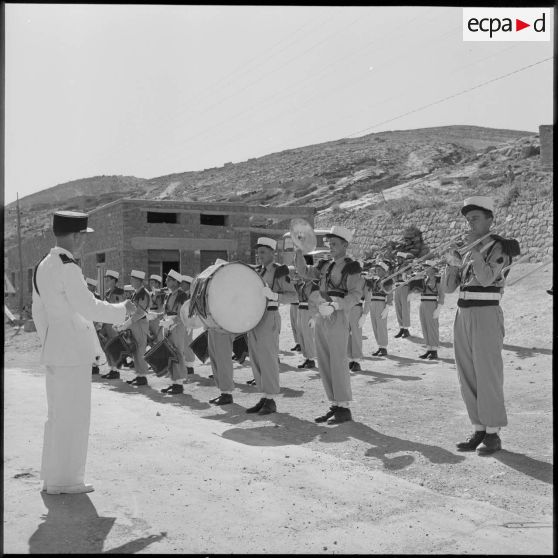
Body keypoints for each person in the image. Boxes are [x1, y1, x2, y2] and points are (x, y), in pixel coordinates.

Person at [31, 210, 136, 495]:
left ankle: (53, 478)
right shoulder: (68, 267)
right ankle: (66, 481)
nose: (83, 243)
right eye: (83, 237)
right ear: (76, 236)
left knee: (57, 416)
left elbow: (37, 311)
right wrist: (123, 309)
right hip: (72, 352)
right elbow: (87, 307)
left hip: (55, 351)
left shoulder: (43, 265)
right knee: (74, 417)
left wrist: (50, 340)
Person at [441, 196, 519, 455]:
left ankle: (493, 433)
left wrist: (473, 252)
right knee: (467, 374)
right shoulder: (465, 249)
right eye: (467, 218)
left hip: (486, 313)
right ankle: (478, 427)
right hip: (463, 314)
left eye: (475, 217)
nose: (469, 222)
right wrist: (452, 264)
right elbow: (449, 289)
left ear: (489, 219)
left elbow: (486, 280)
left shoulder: (501, 247)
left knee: (488, 373)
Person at [295, 225, 364, 424]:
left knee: (338, 360)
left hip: (337, 314)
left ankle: (344, 407)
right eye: (329, 243)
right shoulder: (325, 265)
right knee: (324, 360)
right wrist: (299, 252)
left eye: (334, 244)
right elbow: (305, 273)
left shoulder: (352, 267)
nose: (330, 247)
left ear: (345, 245)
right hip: (321, 313)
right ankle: (334, 403)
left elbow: (355, 294)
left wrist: (336, 305)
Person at [245, 237, 297, 415]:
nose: (259, 256)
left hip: (270, 316)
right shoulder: (257, 272)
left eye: (263, 252)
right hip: (255, 318)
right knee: (256, 358)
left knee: (268, 357)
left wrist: (275, 295)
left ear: (272, 253)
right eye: (258, 252)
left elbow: (293, 296)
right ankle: (265, 395)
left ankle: (272, 399)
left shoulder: (279, 271)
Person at [158, 269, 189, 395]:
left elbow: (182, 314)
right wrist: (156, 315)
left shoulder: (182, 295)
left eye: (169, 279)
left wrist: (171, 322)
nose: (166, 281)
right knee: (169, 353)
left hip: (177, 327)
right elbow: (167, 312)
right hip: (168, 326)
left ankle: (179, 384)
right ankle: (174, 382)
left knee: (177, 353)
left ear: (176, 282)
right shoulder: (169, 294)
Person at [117, 270, 151, 386]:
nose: (130, 281)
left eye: (132, 279)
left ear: (138, 281)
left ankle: (143, 377)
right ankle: (139, 375)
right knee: (135, 351)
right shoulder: (136, 293)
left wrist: (126, 323)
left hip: (140, 324)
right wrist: (123, 322)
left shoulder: (144, 293)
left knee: (140, 350)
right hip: (134, 324)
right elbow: (131, 311)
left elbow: (140, 313)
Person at [99, 270, 126, 380]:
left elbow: (121, 307)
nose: (106, 281)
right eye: (106, 279)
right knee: (106, 346)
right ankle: (112, 368)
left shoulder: (120, 292)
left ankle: (116, 370)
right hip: (106, 322)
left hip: (114, 323)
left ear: (114, 281)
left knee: (114, 346)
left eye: (109, 279)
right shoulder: (107, 292)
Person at [416, 261, 445, 360]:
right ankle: (429, 348)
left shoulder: (438, 280)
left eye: (427, 267)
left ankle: (434, 350)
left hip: (432, 304)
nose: (425, 270)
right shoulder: (424, 280)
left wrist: (439, 308)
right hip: (423, 304)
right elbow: (416, 289)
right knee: (425, 326)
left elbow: (441, 294)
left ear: (433, 269)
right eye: (424, 267)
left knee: (432, 327)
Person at [364, 260, 394, 357]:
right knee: (375, 325)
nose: (377, 271)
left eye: (379, 270)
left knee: (381, 326)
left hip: (381, 303)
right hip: (373, 303)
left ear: (384, 270)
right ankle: (380, 346)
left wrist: (387, 307)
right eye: (376, 269)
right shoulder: (376, 280)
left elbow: (390, 293)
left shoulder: (388, 279)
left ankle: (384, 347)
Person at [295, 255, 319, 370]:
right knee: (301, 334)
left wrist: (314, 317)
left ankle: (311, 359)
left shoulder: (315, 287)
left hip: (309, 311)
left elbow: (317, 302)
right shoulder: (301, 285)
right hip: (301, 310)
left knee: (308, 336)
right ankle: (307, 357)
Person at [347, 266, 367, 372]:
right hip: (346, 309)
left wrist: (364, 314)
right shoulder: (346, 280)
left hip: (357, 309)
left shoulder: (364, 281)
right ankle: (350, 359)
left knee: (356, 335)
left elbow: (368, 298)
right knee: (347, 335)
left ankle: (357, 361)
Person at [393, 252, 413, 338]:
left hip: (404, 287)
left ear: (403, 259)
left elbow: (410, 277)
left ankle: (406, 329)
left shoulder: (407, 266)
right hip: (397, 287)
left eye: (399, 258)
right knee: (398, 308)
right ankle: (401, 328)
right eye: (397, 258)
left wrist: (410, 292)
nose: (398, 259)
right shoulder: (396, 268)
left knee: (405, 309)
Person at [85, 278, 103, 375]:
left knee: (95, 347)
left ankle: (95, 366)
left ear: (93, 287)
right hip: (87, 325)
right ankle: (89, 365)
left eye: (89, 285)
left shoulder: (97, 296)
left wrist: (98, 324)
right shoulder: (84, 296)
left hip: (95, 325)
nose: (87, 287)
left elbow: (99, 311)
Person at [179, 275, 196, 375]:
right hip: (182, 321)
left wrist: (190, 324)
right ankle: (186, 363)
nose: (181, 285)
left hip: (188, 322)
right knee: (182, 343)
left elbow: (193, 310)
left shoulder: (191, 296)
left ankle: (190, 366)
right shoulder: (182, 295)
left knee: (187, 343)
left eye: (183, 283)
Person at [147, 274, 165, 343]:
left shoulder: (163, 294)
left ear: (157, 284)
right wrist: (155, 295)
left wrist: (159, 293)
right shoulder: (149, 294)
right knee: (151, 343)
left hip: (159, 322)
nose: (150, 285)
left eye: (152, 283)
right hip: (150, 323)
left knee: (160, 342)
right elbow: (150, 305)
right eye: (150, 283)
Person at [288, 266, 302, 352]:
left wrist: (295, 282)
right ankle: (297, 342)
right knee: (293, 324)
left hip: (298, 305)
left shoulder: (300, 282)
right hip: (292, 304)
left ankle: (301, 343)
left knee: (298, 326)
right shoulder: (291, 282)